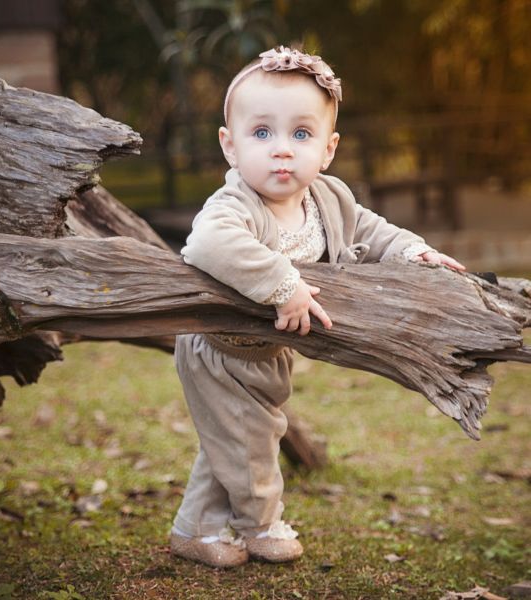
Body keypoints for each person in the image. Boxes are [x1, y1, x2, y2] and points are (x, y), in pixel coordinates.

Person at [169, 46, 465, 569]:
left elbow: (371, 231)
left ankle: (197, 528)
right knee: (252, 437)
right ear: (230, 146)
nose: (281, 150)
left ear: (327, 150)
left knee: (230, 437)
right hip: (217, 346)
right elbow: (209, 245)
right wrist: (283, 284)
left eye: (300, 135)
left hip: (268, 351)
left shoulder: (328, 198)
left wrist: (411, 250)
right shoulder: (234, 205)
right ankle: (261, 525)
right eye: (261, 133)